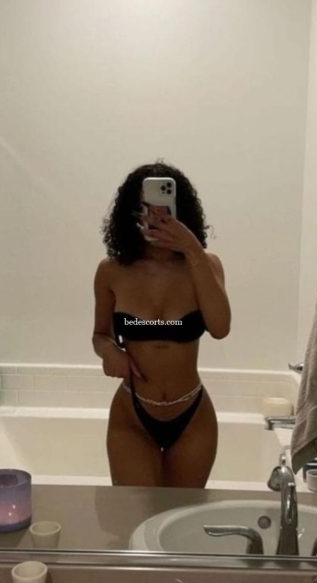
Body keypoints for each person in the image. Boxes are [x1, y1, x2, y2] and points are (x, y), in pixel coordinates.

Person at [92, 161, 231, 487]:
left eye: (164, 207)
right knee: (134, 515)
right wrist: (109, 351)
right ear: (131, 212)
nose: (156, 217)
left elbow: (220, 328)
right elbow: (99, 335)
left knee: (182, 516)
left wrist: (191, 249)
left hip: (193, 416)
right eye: (146, 208)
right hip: (132, 416)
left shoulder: (206, 265)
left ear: (180, 211)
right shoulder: (111, 271)